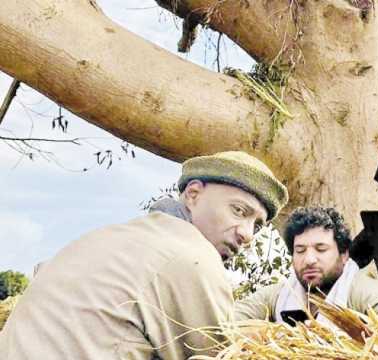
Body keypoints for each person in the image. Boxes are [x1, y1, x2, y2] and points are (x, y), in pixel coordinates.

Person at [0, 151, 288, 359]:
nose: (247, 234)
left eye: (258, 225)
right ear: (193, 194)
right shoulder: (190, 256)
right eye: (239, 211)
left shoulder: (111, 237)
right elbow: (219, 352)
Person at [233, 207, 378, 335]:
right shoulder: (280, 294)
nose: (309, 260)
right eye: (300, 250)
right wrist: (274, 334)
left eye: (321, 249)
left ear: (344, 254)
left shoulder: (359, 290)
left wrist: (359, 334)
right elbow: (224, 322)